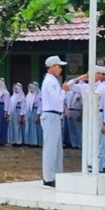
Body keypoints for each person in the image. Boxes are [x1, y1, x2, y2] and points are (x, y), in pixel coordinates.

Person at [40, 55, 69, 187]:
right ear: (52, 67)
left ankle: (56, 174)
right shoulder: (50, 82)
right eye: (58, 66)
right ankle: (48, 177)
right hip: (50, 115)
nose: (60, 69)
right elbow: (57, 100)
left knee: (57, 148)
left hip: (55, 116)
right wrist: (63, 91)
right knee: (50, 147)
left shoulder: (53, 81)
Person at [22, 82, 41, 147]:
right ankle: (29, 142)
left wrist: (37, 115)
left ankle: (36, 142)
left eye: (32, 88)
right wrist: (24, 115)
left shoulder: (38, 96)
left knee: (35, 127)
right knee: (29, 126)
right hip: (28, 112)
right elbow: (25, 106)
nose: (31, 89)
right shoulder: (28, 96)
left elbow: (40, 106)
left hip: (35, 112)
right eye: (30, 88)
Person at [0, 77, 10, 145]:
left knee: (1, 123)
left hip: (1, 107)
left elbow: (7, 102)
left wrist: (6, 112)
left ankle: (1, 140)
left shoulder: (5, 92)